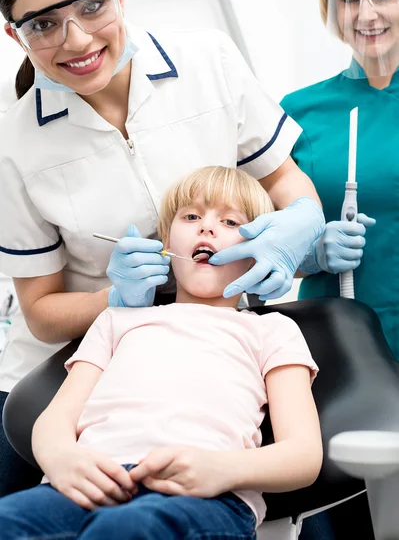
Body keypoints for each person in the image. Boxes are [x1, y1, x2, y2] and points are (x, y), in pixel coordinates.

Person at [0, 0, 328, 497]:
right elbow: (42, 315)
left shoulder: (209, 62)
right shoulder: (14, 143)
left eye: (91, 7)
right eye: (44, 24)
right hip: (63, 375)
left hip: (204, 359)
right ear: (15, 35)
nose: (76, 40)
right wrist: (115, 298)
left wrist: (303, 220)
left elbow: (286, 182)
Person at [0, 165, 322, 540]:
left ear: (260, 250)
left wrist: (222, 469)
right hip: (88, 484)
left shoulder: (272, 331)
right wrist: (61, 459)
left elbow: (303, 455)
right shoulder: (117, 321)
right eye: (191, 216)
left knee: (127, 529)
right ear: (167, 243)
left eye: (232, 222)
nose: (206, 227)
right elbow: (55, 420)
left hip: (207, 496)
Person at [281, 0, 399, 537]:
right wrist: (311, 249)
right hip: (341, 353)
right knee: (346, 515)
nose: (366, 13)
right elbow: (267, 244)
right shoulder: (298, 114)